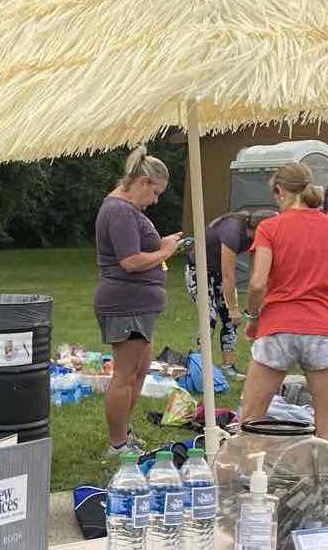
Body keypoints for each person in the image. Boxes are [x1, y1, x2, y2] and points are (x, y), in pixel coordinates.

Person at [94, 145, 182, 455]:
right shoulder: (119, 211)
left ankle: (124, 435)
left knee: (139, 372)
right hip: (125, 304)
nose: (155, 200)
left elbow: (139, 249)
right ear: (143, 182)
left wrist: (163, 243)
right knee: (125, 375)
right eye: (155, 193)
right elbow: (130, 261)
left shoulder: (128, 211)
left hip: (140, 305)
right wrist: (165, 252)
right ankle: (117, 444)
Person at [240, 163, 328, 438]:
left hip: (277, 327)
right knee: (325, 425)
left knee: (251, 420)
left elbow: (257, 283)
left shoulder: (269, 228)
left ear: (280, 191)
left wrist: (253, 318)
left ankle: (248, 464)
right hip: (321, 327)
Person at [184, 209, 275, 380]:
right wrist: (233, 308)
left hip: (218, 272)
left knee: (230, 320)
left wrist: (252, 303)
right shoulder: (232, 233)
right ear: (262, 228)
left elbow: (255, 274)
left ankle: (228, 367)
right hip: (199, 270)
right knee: (209, 315)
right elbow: (228, 275)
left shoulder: (255, 239)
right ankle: (200, 366)